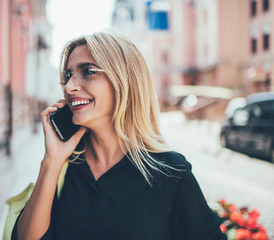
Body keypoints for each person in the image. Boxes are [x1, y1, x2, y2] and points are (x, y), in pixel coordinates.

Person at [12, 30, 227, 240]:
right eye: (68, 76)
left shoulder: (171, 172)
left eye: (88, 71)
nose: (69, 87)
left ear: (124, 80)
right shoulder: (65, 166)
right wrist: (52, 160)